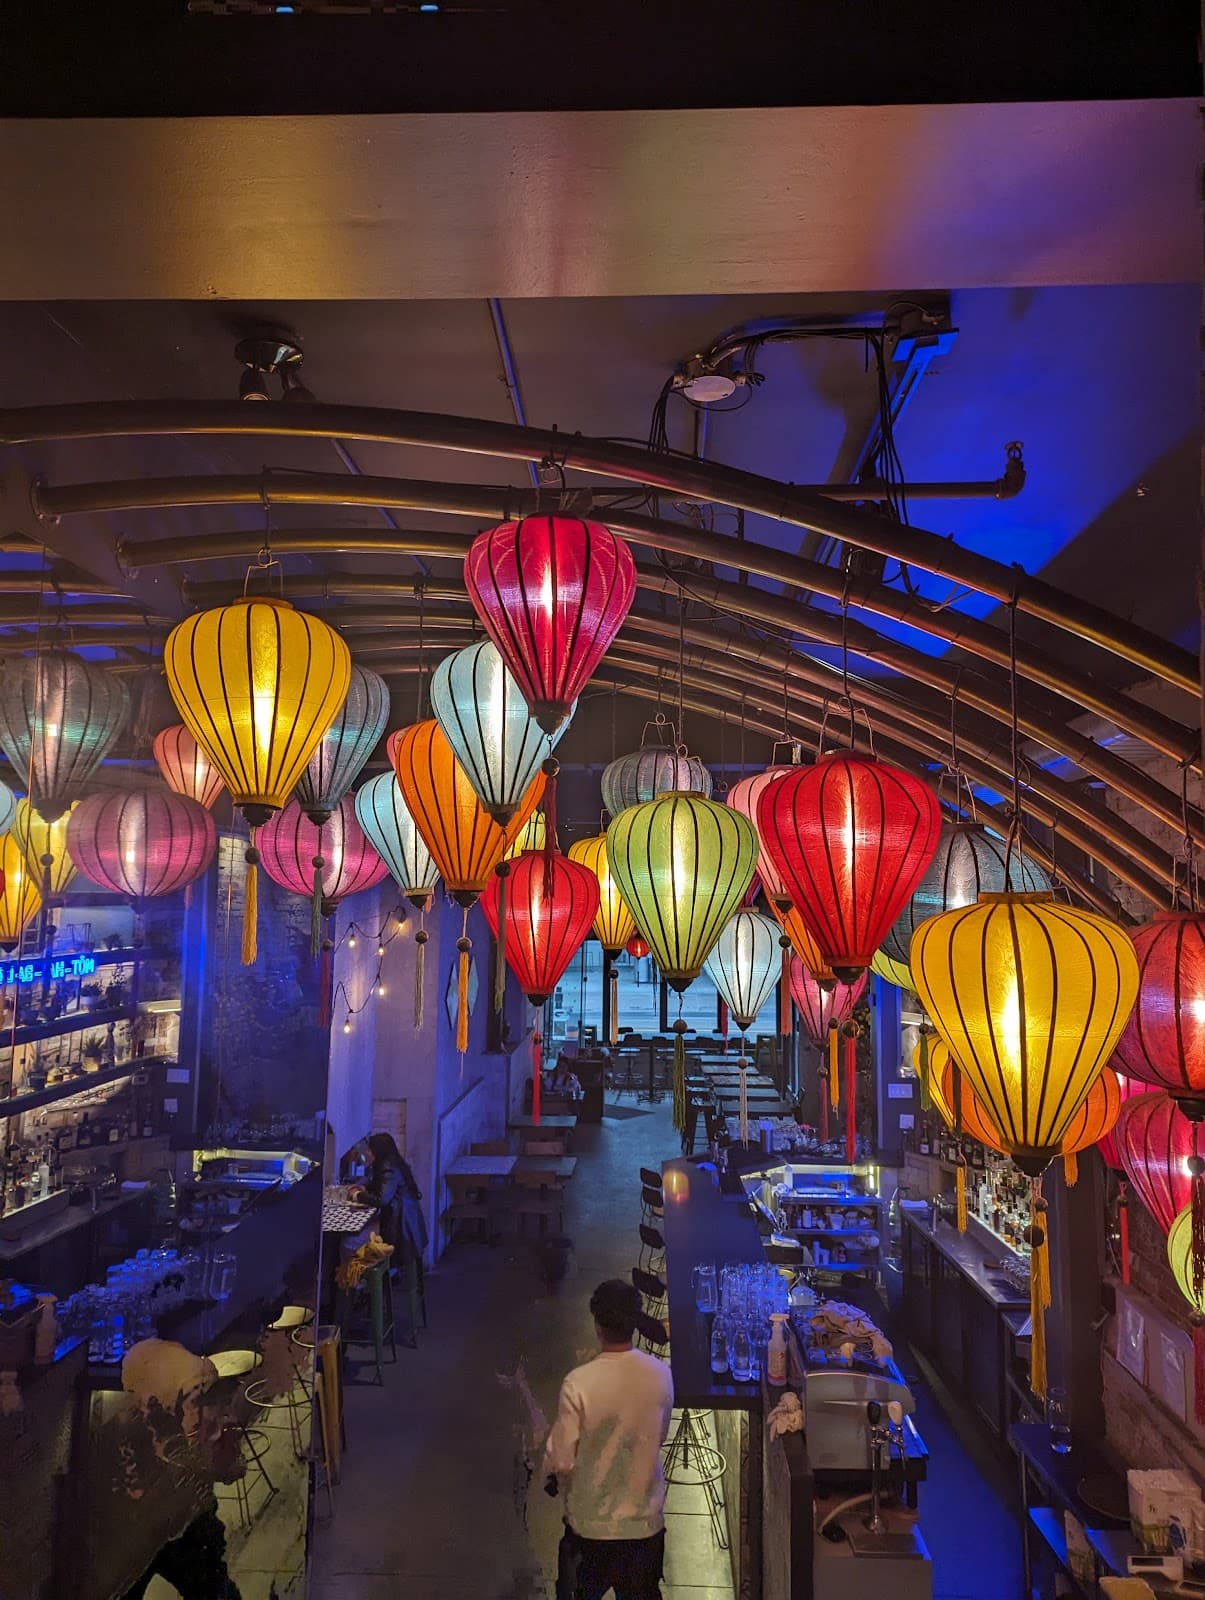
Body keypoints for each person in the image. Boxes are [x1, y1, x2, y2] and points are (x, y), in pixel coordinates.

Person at [544, 1279, 674, 1600]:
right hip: (644, 1525)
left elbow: (561, 1459)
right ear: (635, 1324)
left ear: (597, 1325)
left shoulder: (578, 1383)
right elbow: (658, 1435)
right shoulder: (661, 1374)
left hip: (590, 1527)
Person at [353, 1132, 428, 1265]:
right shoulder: (393, 1162)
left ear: (378, 1151)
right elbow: (384, 1185)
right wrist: (366, 1187)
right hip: (406, 1220)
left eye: (370, 1150)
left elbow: (382, 1199)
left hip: (400, 1225)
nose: (368, 1153)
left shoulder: (388, 1168)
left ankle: (357, 1281)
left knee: (351, 1242)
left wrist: (357, 1195)